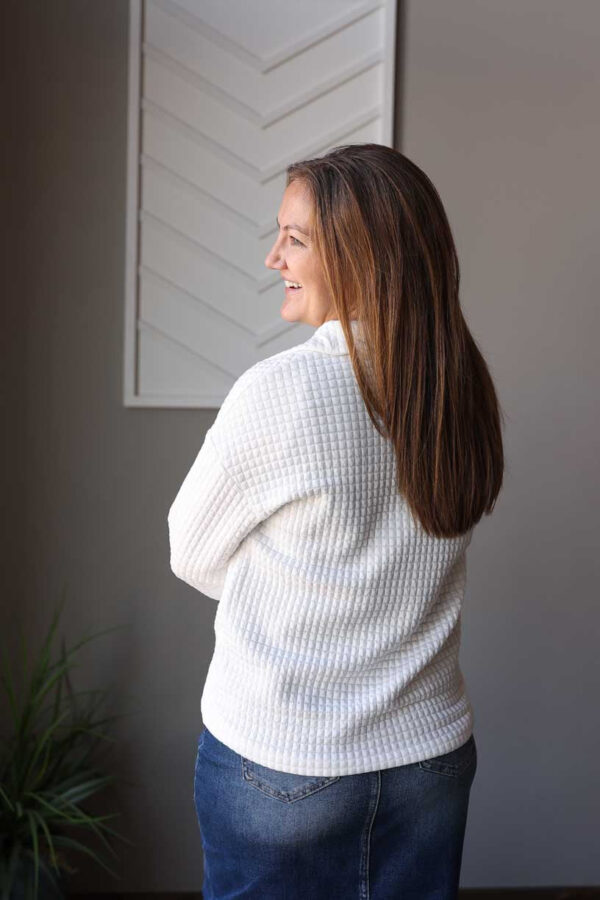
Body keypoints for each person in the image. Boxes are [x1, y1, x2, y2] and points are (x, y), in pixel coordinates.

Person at [168, 143, 505, 899]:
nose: (271, 257)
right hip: (431, 758)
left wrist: (300, 592)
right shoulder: (460, 383)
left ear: (361, 257)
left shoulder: (280, 392)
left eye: (295, 238)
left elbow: (189, 552)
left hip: (284, 759)